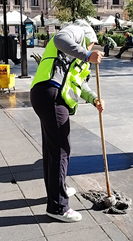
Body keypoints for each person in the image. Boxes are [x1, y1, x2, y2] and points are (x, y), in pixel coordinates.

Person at [30, 19, 104, 223]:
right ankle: (58, 207)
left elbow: (79, 85)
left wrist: (94, 99)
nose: (90, 49)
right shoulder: (78, 31)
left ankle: (57, 189)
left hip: (46, 95)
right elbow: (60, 38)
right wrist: (88, 54)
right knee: (61, 149)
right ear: (89, 38)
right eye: (91, 45)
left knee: (52, 149)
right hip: (51, 94)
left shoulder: (78, 60)